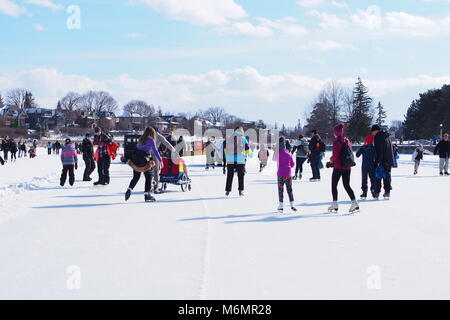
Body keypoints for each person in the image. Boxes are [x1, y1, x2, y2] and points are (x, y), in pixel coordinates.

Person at [125, 127, 162, 202]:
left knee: (136, 177)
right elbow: (155, 151)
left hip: (135, 160)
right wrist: (160, 160)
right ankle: (147, 195)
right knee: (149, 176)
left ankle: (129, 189)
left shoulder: (141, 139)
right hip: (144, 161)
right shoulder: (151, 140)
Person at [328, 124, 359, 214]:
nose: (333, 134)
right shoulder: (347, 141)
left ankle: (335, 203)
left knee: (334, 184)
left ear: (336, 133)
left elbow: (335, 156)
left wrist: (330, 161)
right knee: (347, 185)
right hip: (347, 166)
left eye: (334, 132)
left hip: (338, 166)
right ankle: (354, 202)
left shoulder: (337, 142)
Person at [224, 126, 252, 197]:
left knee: (230, 175)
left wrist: (227, 157)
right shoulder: (243, 138)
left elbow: (225, 149)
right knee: (240, 176)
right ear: (241, 131)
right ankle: (241, 190)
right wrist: (251, 155)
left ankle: (227, 191)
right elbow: (247, 149)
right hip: (240, 160)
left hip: (230, 160)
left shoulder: (229, 138)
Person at [273, 137, 297, 213]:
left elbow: (273, 159)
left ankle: (281, 206)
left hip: (280, 174)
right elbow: (292, 164)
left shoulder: (277, 154)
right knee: (289, 190)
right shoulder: (288, 154)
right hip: (288, 174)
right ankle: (292, 205)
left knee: (280, 190)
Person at [372, 124, 395, 200]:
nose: (372, 133)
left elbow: (380, 150)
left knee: (378, 176)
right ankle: (387, 192)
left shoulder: (378, 137)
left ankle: (377, 192)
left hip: (382, 160)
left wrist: (378, 161)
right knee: (387, 176)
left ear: (376, 131)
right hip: (389, 160)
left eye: (373, 131)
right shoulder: (386, 136)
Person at [356, 135, 377, 200]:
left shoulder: (363, 147)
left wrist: (362, 147)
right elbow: (376, 157)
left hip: (364, 166)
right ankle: (373, 190)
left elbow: (357, 155)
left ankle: (364, 192)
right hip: (372, 166)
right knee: (373, 179)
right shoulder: (374, 148)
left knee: (364, 180)